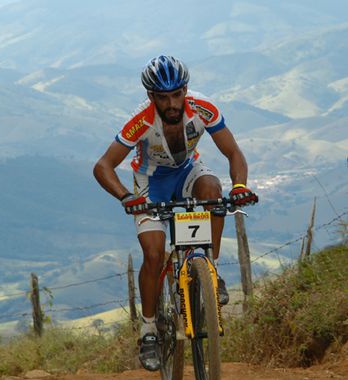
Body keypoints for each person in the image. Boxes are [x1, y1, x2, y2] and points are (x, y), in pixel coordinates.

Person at [93, 55, 257, 371]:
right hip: (149, 184)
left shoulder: (204, 108)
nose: (172, 103)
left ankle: (209, 268)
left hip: (186, 172)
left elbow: (233, 151)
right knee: (154, 254)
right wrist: (126, 197)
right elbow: (103, 166)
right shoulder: (140, 120)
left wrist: (239, 186)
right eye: (163, 97)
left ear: (185, 90)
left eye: (177, 94)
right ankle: (150, 330)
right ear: (151, 97)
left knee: (213, 193)